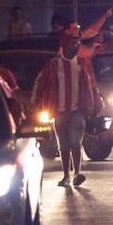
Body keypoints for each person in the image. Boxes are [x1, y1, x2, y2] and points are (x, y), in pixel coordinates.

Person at [33, 24, 98, 188]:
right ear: (64, 45)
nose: (76, 46)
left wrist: (95, 103)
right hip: (59, 110)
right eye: (72, 43)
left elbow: (92, 85)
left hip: (78, 110)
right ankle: (66, 176)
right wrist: (35, 103)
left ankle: (77, 173)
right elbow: (40, 83)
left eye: (77, 43)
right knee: (63, 144)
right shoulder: (53, 65)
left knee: (75, 141)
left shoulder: (83, 63)